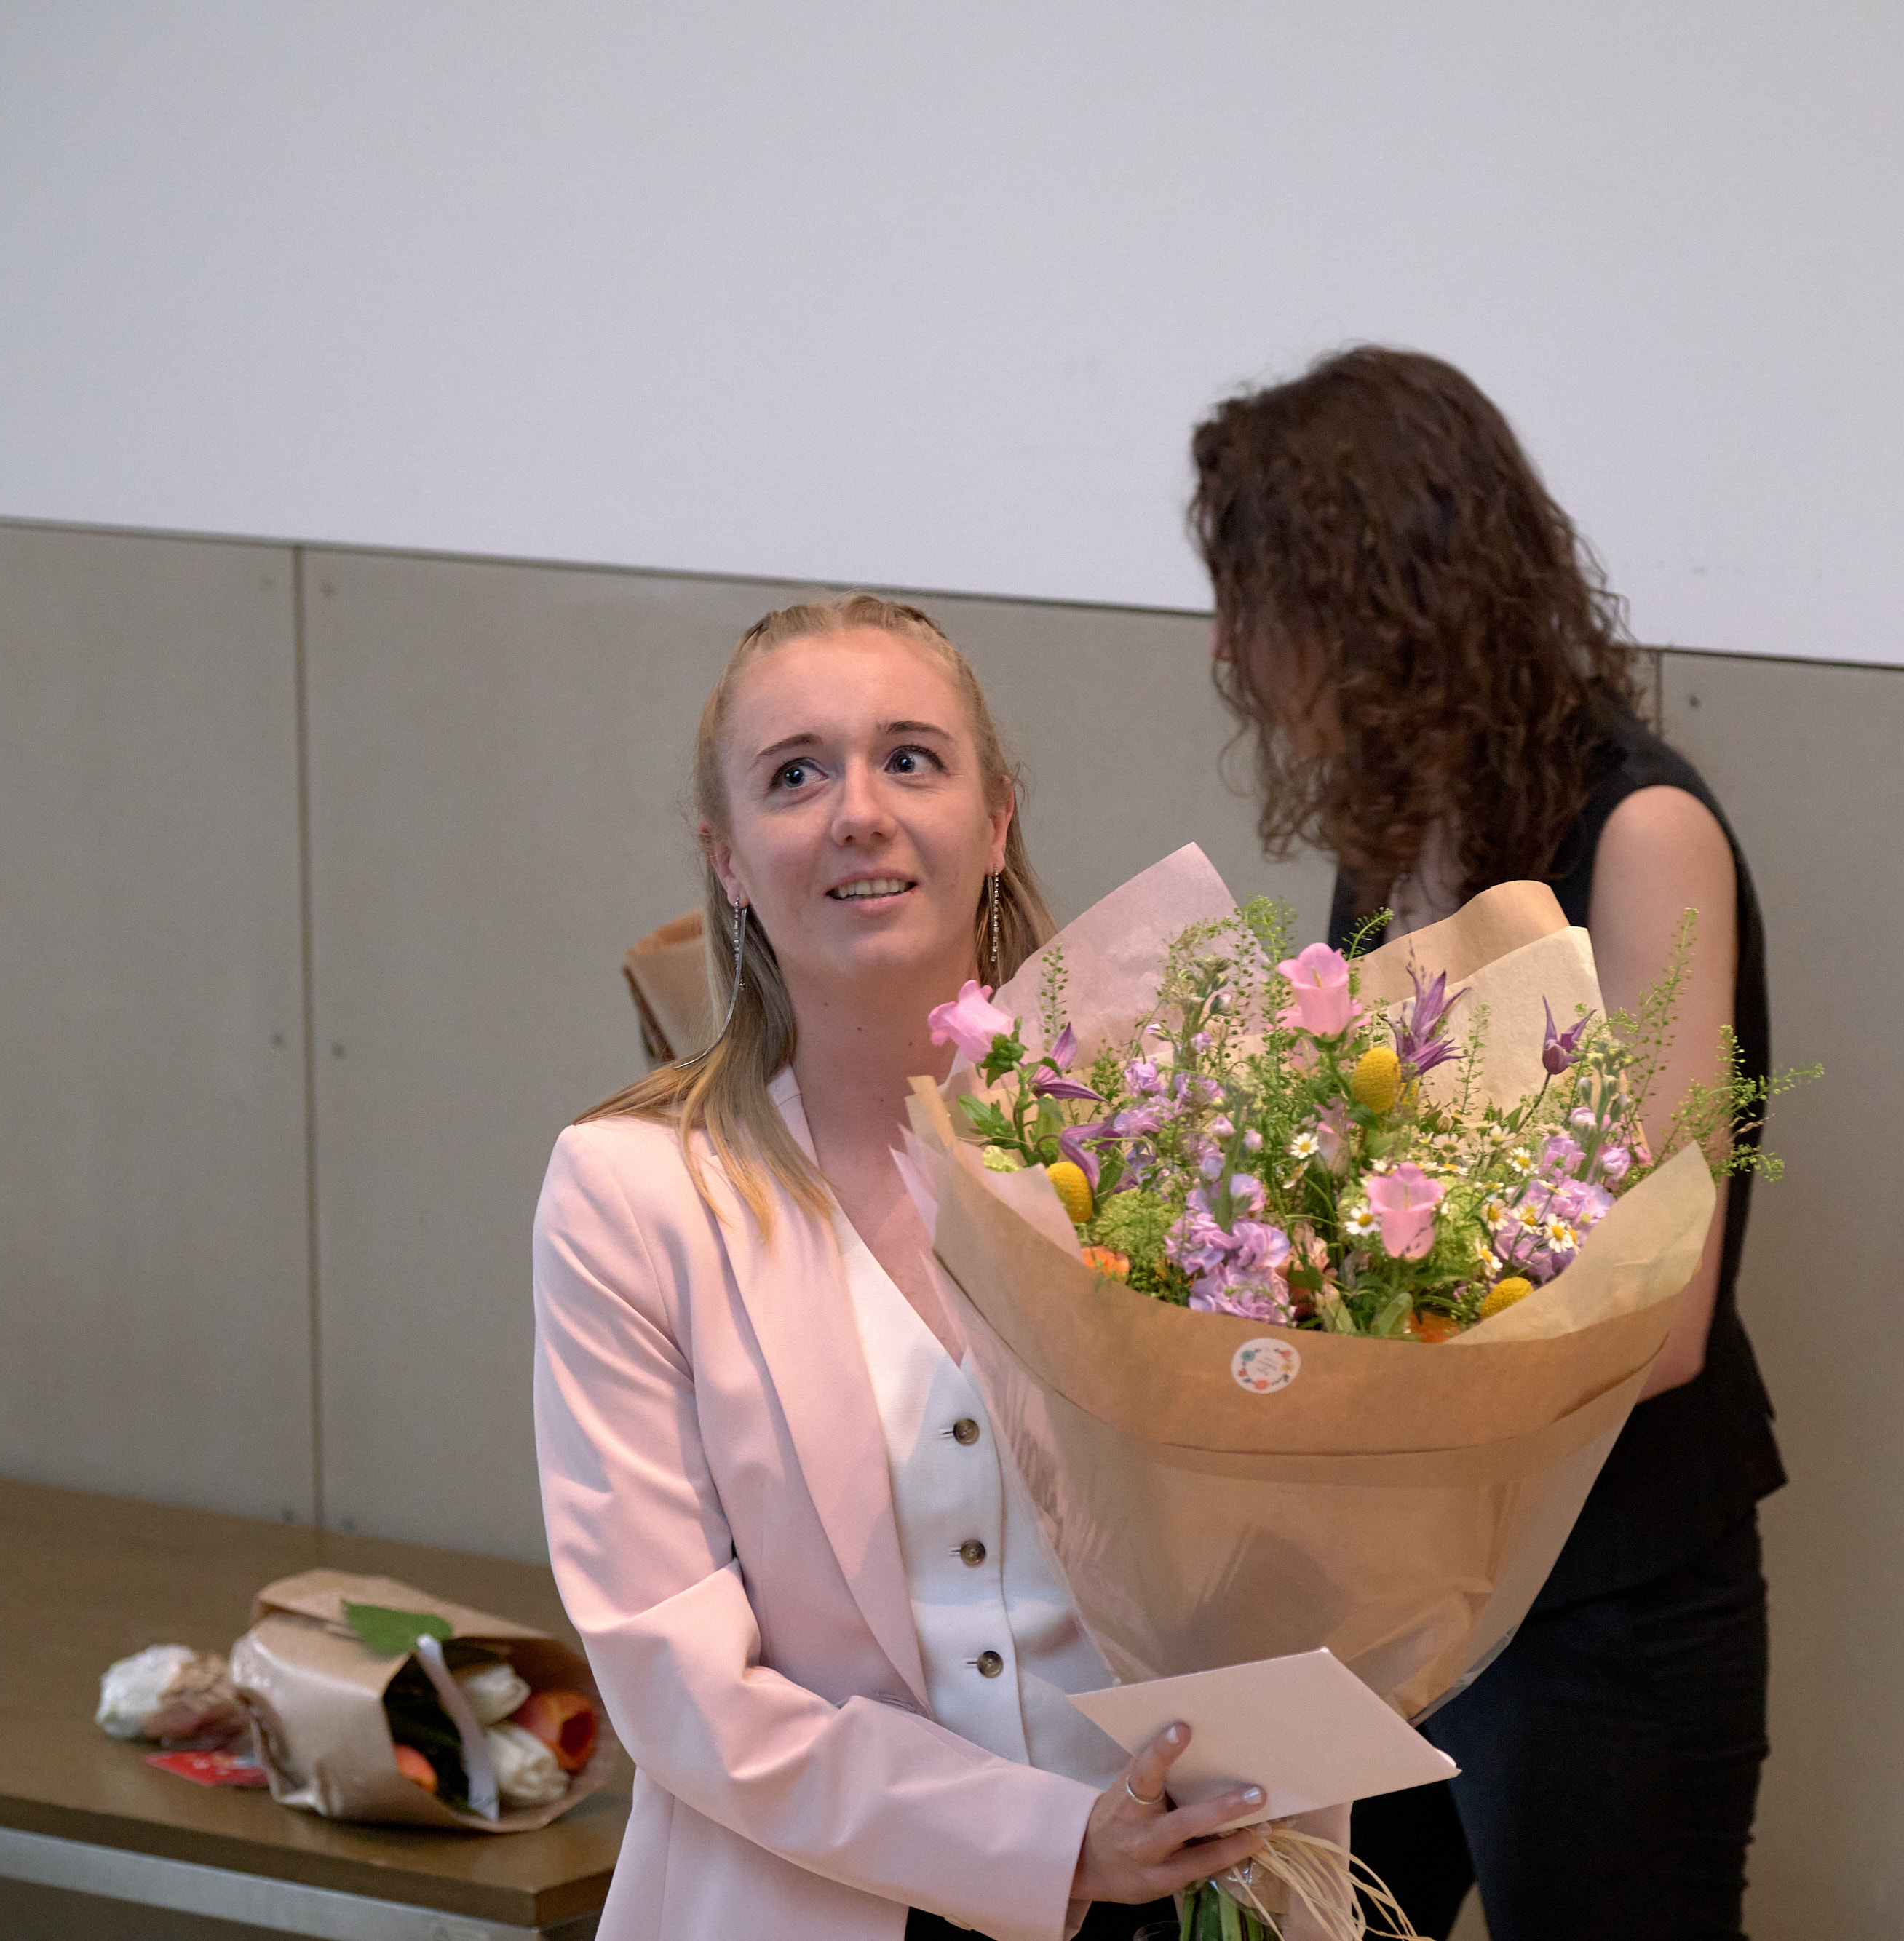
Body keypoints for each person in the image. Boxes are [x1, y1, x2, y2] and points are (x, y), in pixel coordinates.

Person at [532, 595, 1328, 1941]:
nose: (859, 811)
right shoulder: (632, 1196)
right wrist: (1054, 1846)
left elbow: (1295, 1560)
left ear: (996, 819)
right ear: (728, 861)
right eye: (796, 775)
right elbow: (680, 1686)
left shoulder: (1180, 1137)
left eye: (910, 759)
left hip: (1199, 1889)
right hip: (814, 1912)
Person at [1188, 349, 1786, 1940]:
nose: (1229, 647)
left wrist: (1334, 1378)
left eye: (1252, 598)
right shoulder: (1395, 829)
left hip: (1601, 1598)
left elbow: (1660, 1315)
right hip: (1415, 1581)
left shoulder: (1642, 833)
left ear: (1372, 595)